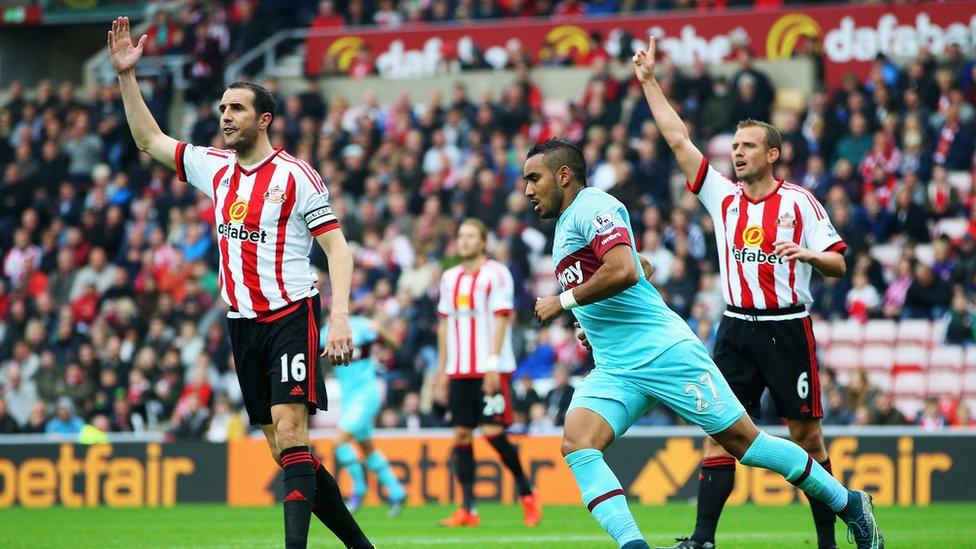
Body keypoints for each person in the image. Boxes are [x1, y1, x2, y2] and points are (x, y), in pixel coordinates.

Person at [523, 138, 881, 549]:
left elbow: (622, 269)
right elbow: (643, 266)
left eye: (534, 178)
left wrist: (563, 301)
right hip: (616, 367)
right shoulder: (567, 223)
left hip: (666, 353)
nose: (528, 190)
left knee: (745, 444)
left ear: (563, 175)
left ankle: (850, 504)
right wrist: (594, 320)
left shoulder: (591, 205)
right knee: (578, 443)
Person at [108, 17, 371, 549]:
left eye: (237, 108)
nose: (225, 116)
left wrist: (339, 314)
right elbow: (148, 138)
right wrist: (126, 78)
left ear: (264, 118)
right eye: (223, 107)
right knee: (286, 453)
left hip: (291, 313)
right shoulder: (216, 168)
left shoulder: (296, 176)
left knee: (294, 437)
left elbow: (338, 247)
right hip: (241, 323)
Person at [638, 40, 852, 549]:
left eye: (748, 146)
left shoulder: (800, 203)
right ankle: (703, 539)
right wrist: (649, 82)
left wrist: (808, 254)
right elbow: (676, 140)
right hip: (735, 328)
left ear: (772, 154)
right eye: (735, 146)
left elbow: (840, 263)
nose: (737, 152)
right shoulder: (722, 196)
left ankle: (827, 540)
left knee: (807, 438)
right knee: (718, 433)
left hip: (785, 329)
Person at [433, 218, 542, 527]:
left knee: (493, 432)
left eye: (470, 236)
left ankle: (527, 491)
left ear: (482, 242)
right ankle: (468, 509)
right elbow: (443, 324)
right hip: (458, 370)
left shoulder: (497, 274)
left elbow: (502, 318)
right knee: (462, 434)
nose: (464, 240)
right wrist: (441, 370)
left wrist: (493, 363)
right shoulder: (449, 278)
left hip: (489, 368)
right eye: (460, 235)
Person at [321, 311, 407, 516]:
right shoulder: (326, 331)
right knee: (367, 448)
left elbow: (395, 346)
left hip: (367, 394)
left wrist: (382, 332)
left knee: (340, 441)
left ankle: (358, 491)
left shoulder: (362, 326)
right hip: (349, 399)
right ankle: (397, 491)